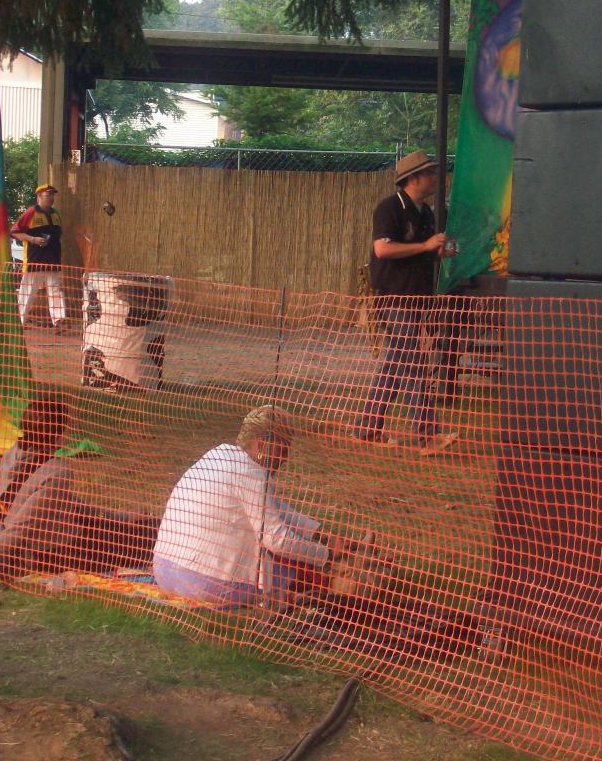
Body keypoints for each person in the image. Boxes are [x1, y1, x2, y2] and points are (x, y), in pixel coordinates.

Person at [153, 405, 353, 606]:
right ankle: (337, 585)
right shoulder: (252, 474)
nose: (285, 459)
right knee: (294, 570)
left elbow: (274, 507)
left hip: (164, 571)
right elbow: (277, 540)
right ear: (263, 444)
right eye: (282, 450)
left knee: (290, 556)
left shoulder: (219, 454)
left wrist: (322, 535)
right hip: (205, 585)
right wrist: (326, 557)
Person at [356, 149, 458, 455]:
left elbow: (428, 250)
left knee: (394, 364)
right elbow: (382, 250)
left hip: (416, 300)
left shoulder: (426, 213)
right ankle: (428, 435)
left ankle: (366, 428)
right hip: (394, 298)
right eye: (429, 173)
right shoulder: (389, 208)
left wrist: (441, 250)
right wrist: (425, 245)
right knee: (413, 364)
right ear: (413, 178)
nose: (435, 178)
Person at [0, 394, 158, 581]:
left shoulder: (12, 455)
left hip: (60, 533)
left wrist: (123, 518)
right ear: (57, 432)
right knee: (149, 539)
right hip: (56, 551)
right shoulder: (57, 471)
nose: (70, 430)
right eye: (67, 425)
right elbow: (21, 527)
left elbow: (70, 505)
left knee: (146, 526)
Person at [11, 184, 66, 331]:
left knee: (56, 290)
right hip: (35, 260)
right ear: (39, 197)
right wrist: (33, 239)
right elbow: (14, 231)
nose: (51, 198)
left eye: (53, 195)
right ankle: (19, 321)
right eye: (48, 195)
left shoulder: (56, 213)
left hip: (53, 260)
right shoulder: (31, 212)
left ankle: (59, 321)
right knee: (28, 290)